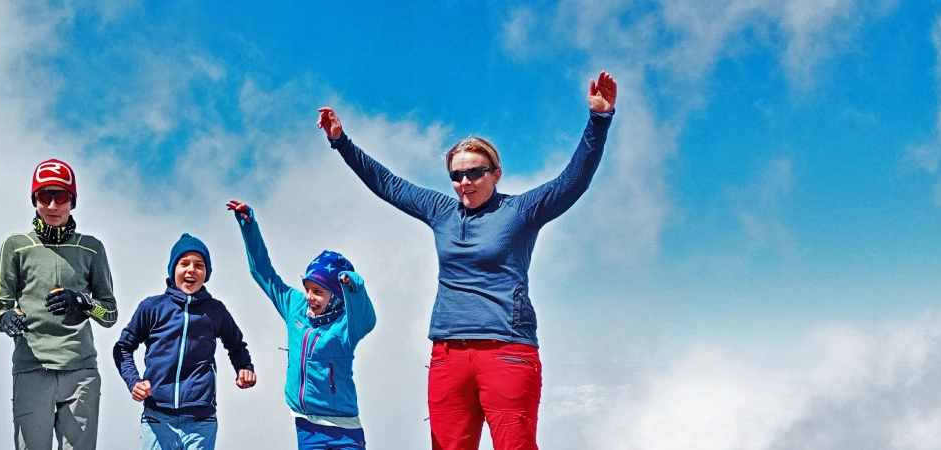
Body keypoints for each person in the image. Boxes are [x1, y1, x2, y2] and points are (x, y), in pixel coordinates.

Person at [316, 71, 619, 450]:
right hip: (447, 354)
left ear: (496, 174)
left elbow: (573, 180)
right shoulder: (441, 210)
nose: (464, 182)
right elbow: (387, 183)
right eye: (457, 175)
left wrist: (599, 120)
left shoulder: (520, 210)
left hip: (508, 351)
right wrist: (340, 142)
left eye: (474, 172)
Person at [226, 200, 376, 450]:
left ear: (336, 296)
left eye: (318, 291)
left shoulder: (345, 326)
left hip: (344, 427)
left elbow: (367, 320)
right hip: (306, 424)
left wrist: (355, 288)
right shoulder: (295, 307)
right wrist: (248, 228)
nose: (309, 296)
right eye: (307, 288)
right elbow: (264, 274)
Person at [0, 158, 119, 450]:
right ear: (34, 199)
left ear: (72, 201)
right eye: (43, 195)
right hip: (32, 367)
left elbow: (109, 314)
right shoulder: (16, 246)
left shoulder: (91, 248)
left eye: (60, 196)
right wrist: (8, 320)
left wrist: (84, 303)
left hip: (80, 370)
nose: (52, 206)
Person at [113, 234, 257, 450]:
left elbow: (236, 346)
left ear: (206, 273)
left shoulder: (215, 310)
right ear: (173, 270)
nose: (191, 270)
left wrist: (244, 368)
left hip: (201, 420)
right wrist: (133, 381)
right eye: (184, 263)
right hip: (157, 417)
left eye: (199, 265)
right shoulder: (152, 307)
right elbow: (123, 348)